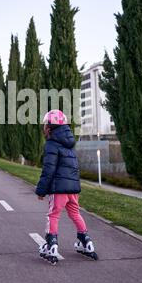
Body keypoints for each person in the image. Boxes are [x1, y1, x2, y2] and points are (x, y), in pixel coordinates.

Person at [35, 109, 98, 265]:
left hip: (59, 190)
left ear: (50, 127)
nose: (44, 128)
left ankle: (52, 245)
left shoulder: (51, 144)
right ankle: (86, 242)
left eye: (45, 125)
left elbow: (48, 169)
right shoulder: (69, 144)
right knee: (75, 214)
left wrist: (41, 190)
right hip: (72, 190)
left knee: (53, 215)